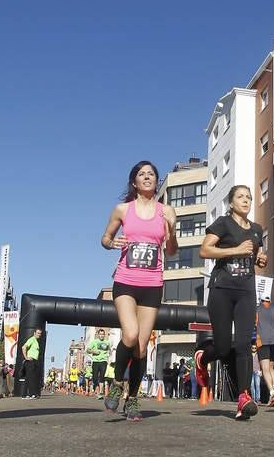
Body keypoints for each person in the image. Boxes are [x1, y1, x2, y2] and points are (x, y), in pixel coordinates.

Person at [101, 160, 178, 422]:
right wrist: (111, 243)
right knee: (130, 334)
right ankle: (116, 383)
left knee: (142, 346)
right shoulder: (123, 209)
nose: (147, 177)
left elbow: (171, 251)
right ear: (134, 182)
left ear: (156, 181)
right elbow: (105, 238)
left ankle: (132, 400)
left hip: (152, 284)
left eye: (151, 174)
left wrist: (173, 229)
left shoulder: (166, 211)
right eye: (141, 174)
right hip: (125, 280)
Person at [195, 184, 267, 421]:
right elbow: (205, 251)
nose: (246, 200)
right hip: (222, 290)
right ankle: (202, 358)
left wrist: (261, 258)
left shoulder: (257, 230)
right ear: (232, 203)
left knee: (245, 343)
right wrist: (234, 250)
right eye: (240, 197)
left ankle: (244, 396)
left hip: (246, 291)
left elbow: (257, 255)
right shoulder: (223, 224)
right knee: (224, 346)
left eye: (248, 197)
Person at [87, 329, 111, 399]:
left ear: (104, 335)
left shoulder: (107, 342)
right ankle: (97, 391)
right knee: (95, 378)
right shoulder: (94, 342)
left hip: (104, 361)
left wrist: (109, 357)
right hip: (95, 361)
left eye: (103, 334)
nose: (101, 336)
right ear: (98, 335)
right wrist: (94, 351)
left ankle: (100, 392)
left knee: (102, 376)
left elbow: (110, 351)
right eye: (100, 334)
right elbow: (88, 350)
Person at [21, 328, 44, 398]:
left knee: (29, 378)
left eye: (40, 333)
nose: (39, 335)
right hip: (30, 361)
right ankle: (30, 394)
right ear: (34, 333)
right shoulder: (32, 339)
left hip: (34, 361)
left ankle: (25, 394)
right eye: (38, 333)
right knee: (30, 378)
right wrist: (26, 357)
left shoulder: (36, 341)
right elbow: (23, 347)